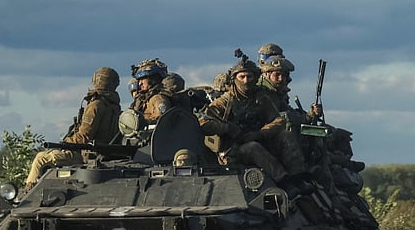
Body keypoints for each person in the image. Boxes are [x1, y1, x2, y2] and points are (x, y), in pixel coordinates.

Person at [198, 55, 310, 195]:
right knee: (252, 148)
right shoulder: (225, 101)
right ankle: (284, 181)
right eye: (242, 77)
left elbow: (278, 121)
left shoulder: (260, 98)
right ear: (235, 79)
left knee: (285, 135)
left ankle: (297, 178)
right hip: (232, 150)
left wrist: (260, 134)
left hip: (257, 139)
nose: (246, 81)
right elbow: (203, 122)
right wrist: (227, 128)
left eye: (249, 77)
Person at [24, 67, 121, 189]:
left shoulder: (96, 105)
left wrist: (65, 143)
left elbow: (84, 136)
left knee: (41, 158)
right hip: (100, 154)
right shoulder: (113, 106)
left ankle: (27, 191)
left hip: (85, 155)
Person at [129, 58, 177, 123]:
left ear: (152, 79)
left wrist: (142, 121)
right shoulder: (144, 99)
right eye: (139, 80)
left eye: (143, 79)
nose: (140, 83)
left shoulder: (158, 98)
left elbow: (161, 122)